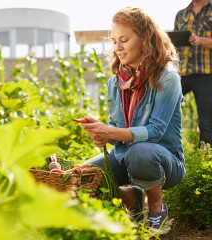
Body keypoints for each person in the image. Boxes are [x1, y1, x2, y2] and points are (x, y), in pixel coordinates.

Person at [75, 7, 186, 235]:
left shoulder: (167, 77)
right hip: (125, 156)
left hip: (164, 161)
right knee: (82, 176)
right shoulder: (114, 83)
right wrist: (100, 131)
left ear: (145, 40)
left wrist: (109, 132)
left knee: (141, 152)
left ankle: (156, 208)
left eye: (124, 40)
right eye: (114, 41)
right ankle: (132, 199)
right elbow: (116, 132)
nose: (117, 48)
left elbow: (154, 131)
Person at [174, 0, 212, 146]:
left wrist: (200, 40)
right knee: (160, 102)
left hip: (206, 74)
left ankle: (206, 157)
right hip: (183, 73)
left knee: (206, 122)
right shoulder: (181, 14)